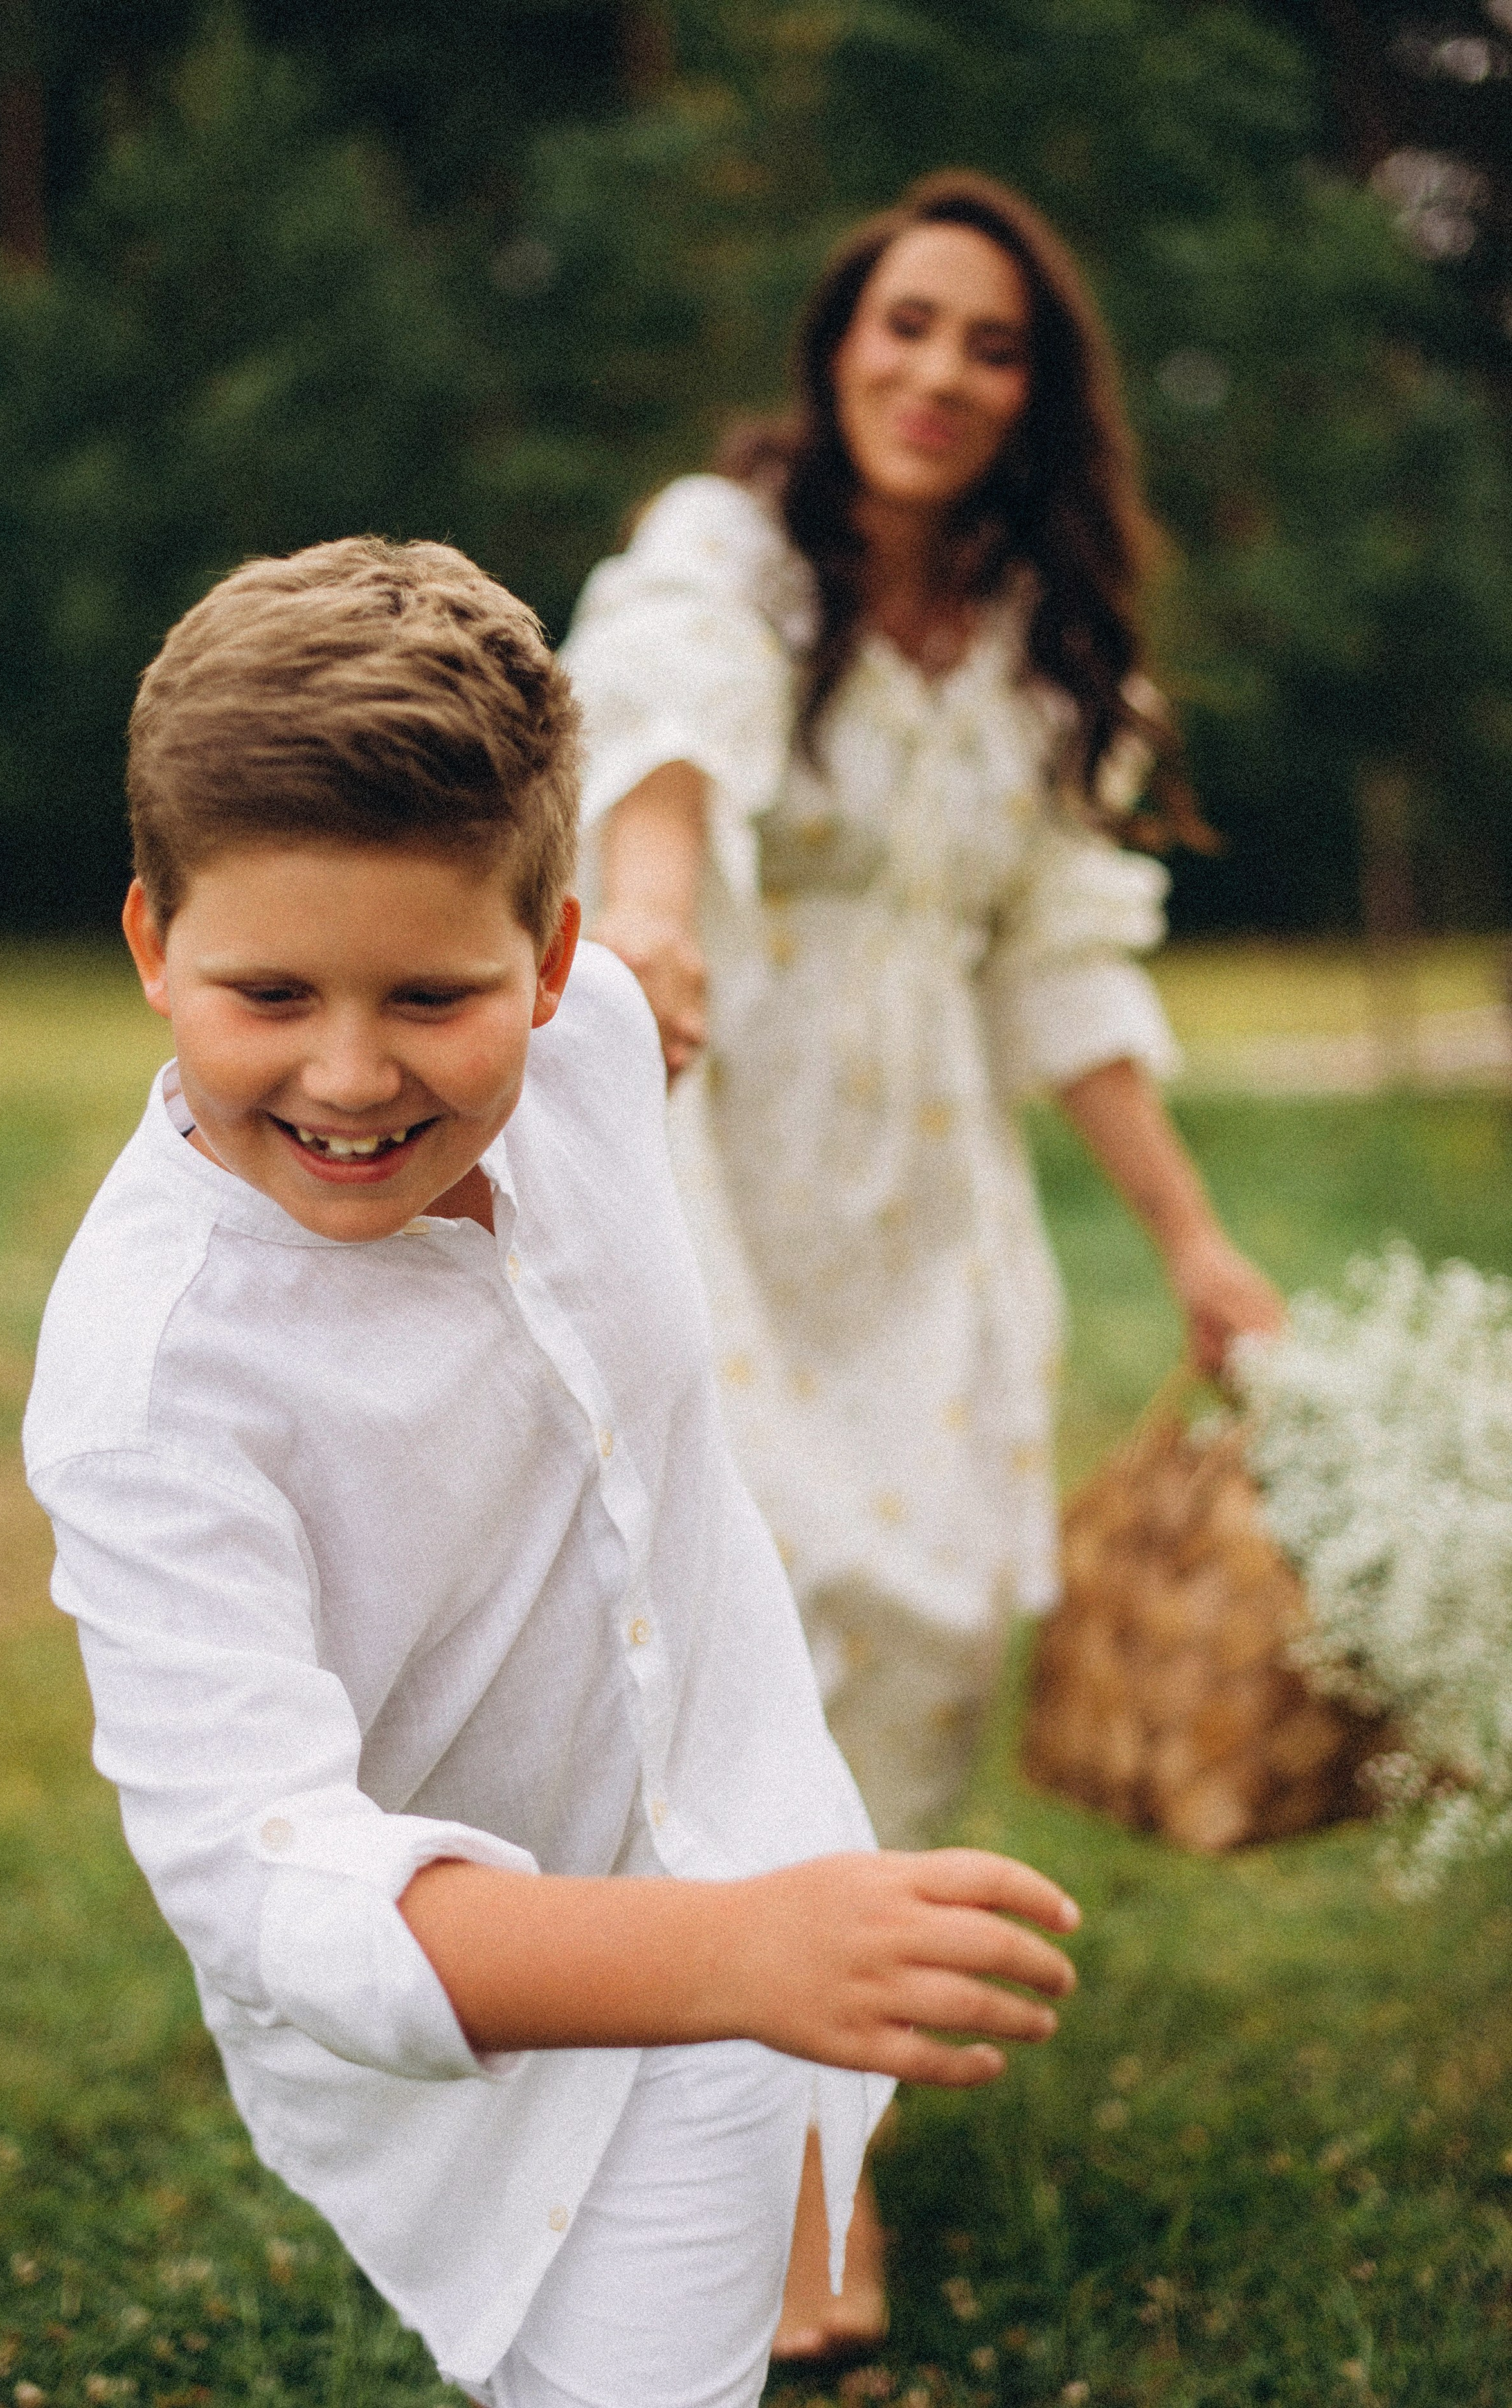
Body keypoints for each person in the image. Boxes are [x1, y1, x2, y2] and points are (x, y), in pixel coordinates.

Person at [21, 535, 1082, 2408]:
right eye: (267, 995)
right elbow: (277, 1896)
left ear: (553, 956)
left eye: (431, 998)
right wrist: (738, 1950)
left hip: (763, 1828)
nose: (350, 1080)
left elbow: (659, 859)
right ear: (148, 948)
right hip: (510, 2046)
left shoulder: (592, 1035)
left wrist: (772, 1923)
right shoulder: (154, 1383)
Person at [562, 167, 1284, 2356]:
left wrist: (1193, 1236)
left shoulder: (1056, 657)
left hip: (930, 1221)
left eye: (990, 344)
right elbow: (657, 721)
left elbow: (1063, 973)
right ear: (834, 343)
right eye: (903, 326)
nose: (937, 373)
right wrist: (657, 907)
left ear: (1038, 394)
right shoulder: (732, 550)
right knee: (730, 1635)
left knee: (915, 1651)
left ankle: (806, 2124)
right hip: (726, 1161)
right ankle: (757, 2192)